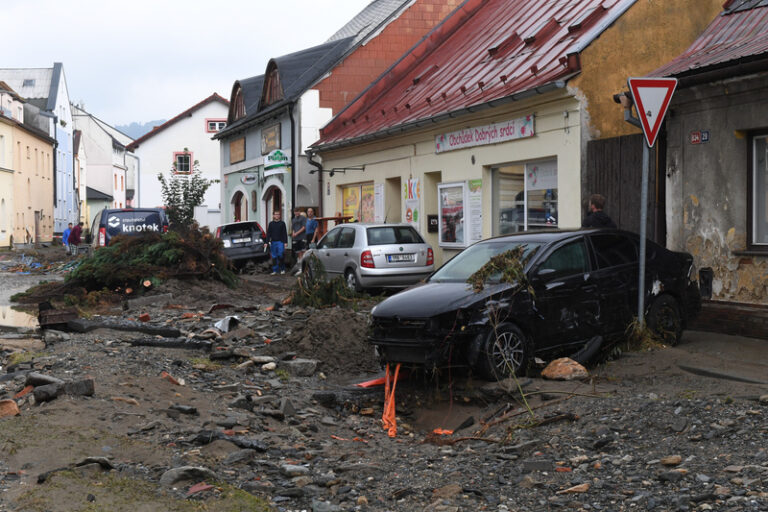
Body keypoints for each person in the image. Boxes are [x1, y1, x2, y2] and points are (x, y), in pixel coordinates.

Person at [266, 210, 288, 275]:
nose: (277, 215)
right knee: (274, 256)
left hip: (280, 242)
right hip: (273, 242)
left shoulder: (282, 223)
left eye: (278, 214)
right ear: (273, 216)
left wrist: (285, 242)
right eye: (276, 214)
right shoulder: (271, 224)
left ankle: (282, 269)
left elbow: (284, 233)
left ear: (280, 215)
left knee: (280, 255)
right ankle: (275, 270)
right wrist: (266, 242)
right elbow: (268, 234)